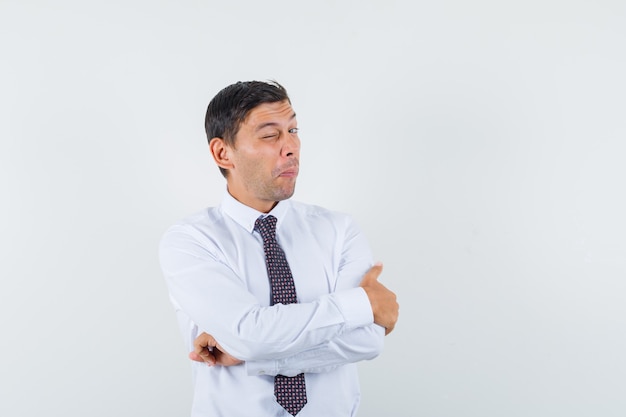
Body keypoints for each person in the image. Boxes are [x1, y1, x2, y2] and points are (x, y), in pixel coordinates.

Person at [159, 80, 399, 417]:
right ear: (222, 153)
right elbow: (251, 333)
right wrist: (362, 304)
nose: (291, 147)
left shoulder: (339, 230)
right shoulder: (191, 241)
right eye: (271, 135)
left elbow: (367, 340)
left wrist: (251, 354)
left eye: (293, 129)